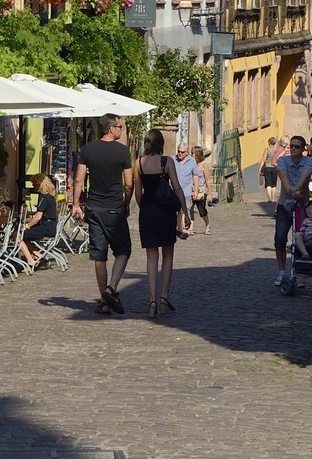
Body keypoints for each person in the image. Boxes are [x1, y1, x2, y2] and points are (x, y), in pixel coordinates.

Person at [72, 114, 134, 315]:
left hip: (94, 208)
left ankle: (104, 303)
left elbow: (79, 180)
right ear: (110, 129)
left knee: (99, 255)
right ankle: (111, 288)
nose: (121, 129)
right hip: (114, 208)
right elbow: (129, 183)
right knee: (124, 250)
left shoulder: (88, 149)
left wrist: (75, 204)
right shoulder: (123, 152)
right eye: (120, 126)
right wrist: (126, 203)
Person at [134, 129, 188, 316]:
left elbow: (138, 194)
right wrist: (186, 213)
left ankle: (152, 301)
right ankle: (164, 297)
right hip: (165, 212)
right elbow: (178, 189)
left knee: (151, 257)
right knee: (168, 255)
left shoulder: (139, 164)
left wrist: (145, 208)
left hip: (148, 211)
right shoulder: (167, 162)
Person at [274, 136, 312, 287]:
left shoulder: (308, 161)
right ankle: (281, 272)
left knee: (301, 240)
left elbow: (305, 176)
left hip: (302, 206)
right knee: (280, 238)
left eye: (297, 146)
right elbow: (283, 177)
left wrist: (296, 189)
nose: (294, 149)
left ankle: (295, 272)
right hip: (285, 204)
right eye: (292, 146)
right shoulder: (283, 160)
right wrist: (291, 190)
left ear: (303, 148)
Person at [19, 175, 59, 270]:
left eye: (34, 184)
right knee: (24, 235)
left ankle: (30, 261)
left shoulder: (43, 197)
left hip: (46, 227)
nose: (33, 187)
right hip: (50, 226)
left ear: (39, 185)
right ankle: (37, 255)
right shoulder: (50, 196)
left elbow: (38, 217)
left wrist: (27, 226)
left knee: (18, 236)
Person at [174, 142, 199, 239]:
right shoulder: (173, 159)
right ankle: (180, 229)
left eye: (182, 152)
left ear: (187, 153)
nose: (179, 153)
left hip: (187, 191)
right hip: (174, 191)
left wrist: (195, 190)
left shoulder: (192, 161)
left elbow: (195, 176)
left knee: (186, 210)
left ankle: (184, 230)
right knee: (178, 212)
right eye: (178, 151)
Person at [191, 146, 213, 235]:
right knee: (190, 209)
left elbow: (207, 180)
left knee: (202, 211)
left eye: (192, 153)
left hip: (201, 191)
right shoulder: (191, 164)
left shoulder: (204, 165)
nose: (191, 154)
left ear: (197, 154)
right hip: (192, 190)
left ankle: (207, 225)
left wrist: (210, 193)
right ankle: (190, 227)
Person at [259, 137, 280, 202]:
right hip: (275, 168)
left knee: (268, 183)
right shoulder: (277, 150)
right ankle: (273, 199)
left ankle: (269, 198)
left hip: (267, 167)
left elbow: (263, 159)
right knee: (274, 184)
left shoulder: (267, 150)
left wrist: (260, 168)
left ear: (269, 143)